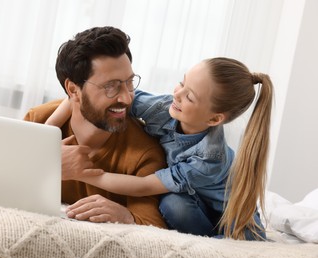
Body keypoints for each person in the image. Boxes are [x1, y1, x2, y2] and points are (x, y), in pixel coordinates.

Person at [48, 57, 273, 241]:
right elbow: (86, 97)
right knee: (175, 200)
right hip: (197, 201)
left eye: (189, 96)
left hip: (232, 220)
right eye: (182, 83)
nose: (177, 94)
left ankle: (212, 244)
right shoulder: (163, 107)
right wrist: (47, 134)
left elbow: (143, 186)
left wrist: (85, 173)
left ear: (214, 118)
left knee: (173, 204)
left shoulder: (208, 159)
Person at [24, 26, 167, 228]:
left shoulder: (144, 153)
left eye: (129, 82)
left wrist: (127, 216)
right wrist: (46, 163)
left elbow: (156, 228)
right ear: (73, 90)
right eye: (111, 86)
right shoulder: (39, 120)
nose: (127, 97)